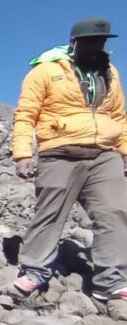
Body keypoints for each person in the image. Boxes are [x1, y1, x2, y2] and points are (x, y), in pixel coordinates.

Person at [12, 17, 127, 300]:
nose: (96, 47)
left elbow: (120, 116)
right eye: (90, 41)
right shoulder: (46, 71)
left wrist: (125, 151)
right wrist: (23, 153)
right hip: (60, 152)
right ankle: (35, 270)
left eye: (101, 41)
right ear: (74, 42)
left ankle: (110, 281)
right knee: (50, 214)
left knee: (115, 212)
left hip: (104, 153)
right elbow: (26, 114)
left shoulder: (109, 72)